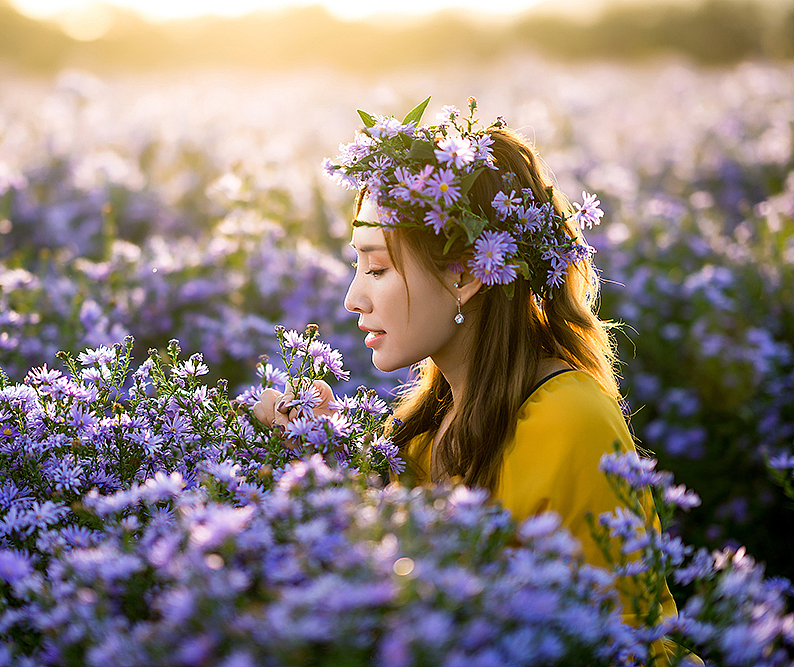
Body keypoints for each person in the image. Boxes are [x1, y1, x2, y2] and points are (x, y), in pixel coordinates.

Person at [253, 98, 686, 660]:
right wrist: (332, 449)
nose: (352, 297)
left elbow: (624, 644)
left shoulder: (568, 420)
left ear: (464, 274)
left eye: (378, 268)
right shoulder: (433, 418)